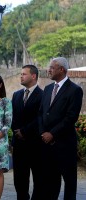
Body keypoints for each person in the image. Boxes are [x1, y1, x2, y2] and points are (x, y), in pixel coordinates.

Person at [39, 57, 83, 200]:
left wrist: (52, 133)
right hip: (47, 146)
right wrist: (43, 133)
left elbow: (71, 117)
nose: (49, 70)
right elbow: (41, 113)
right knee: (50, 183)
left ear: (62, 69)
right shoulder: (47, 88)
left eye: (52, 67)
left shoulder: (75, 90)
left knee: (69, 183)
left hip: (64, 145)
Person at [11, 65, 43, 200]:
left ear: (33, 76)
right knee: (19, 179)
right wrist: (16, 131)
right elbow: (12, 116)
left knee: (38, 179)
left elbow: (40, 118)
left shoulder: (42, 95)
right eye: (21, 74)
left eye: (24, 74)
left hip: (35, 144)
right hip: (18, 145)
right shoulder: (17, 95)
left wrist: (24, 131)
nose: (21, 76)